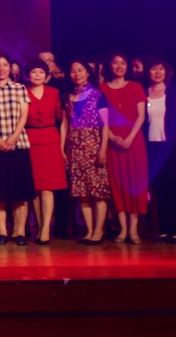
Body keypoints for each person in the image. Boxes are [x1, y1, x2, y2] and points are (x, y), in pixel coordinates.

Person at [0, 52, 35, 245]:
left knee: (20, 193)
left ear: (11, 67)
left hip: (18, 145)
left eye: (5, 65)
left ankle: (20, 232)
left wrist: (13, 138)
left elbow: (24, 116)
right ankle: (2, 232)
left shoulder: (19, 88)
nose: (2, 69)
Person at [100, 53, 149, 244]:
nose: (119, 66)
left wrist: (129, 138)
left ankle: (134, 229)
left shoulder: (136, 87)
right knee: (117, 182)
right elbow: (100, 118)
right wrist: (112, 137)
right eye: (115, 63)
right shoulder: (102, 88)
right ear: (110, 66)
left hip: (134, 140)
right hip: (112, 140)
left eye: (123, 63)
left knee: (135, 182)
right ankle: (122, 229)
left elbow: (141, 116)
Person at [63, 59, 111, 245]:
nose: (76, 74)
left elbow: (105, 125)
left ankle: (99, 230)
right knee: (82, 192)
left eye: (80, 70)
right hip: (75, 147)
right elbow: (66, 124)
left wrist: (103, 149)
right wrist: (63, 148)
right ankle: (89, 231)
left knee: (98, 191)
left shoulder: (98, 95)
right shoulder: (69, 97)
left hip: (93, 145)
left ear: (88, 72)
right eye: (73, 71)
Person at [143, 58, 176, 243]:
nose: (157, 72)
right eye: (154, 69)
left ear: (166, 72)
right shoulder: (144, 92)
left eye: (161, 69)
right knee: (158, 188)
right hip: (152, 147)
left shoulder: (173, 91)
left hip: (171, 146)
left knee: (174, 187)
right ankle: (163, 228)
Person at [24, 59, 66, 244]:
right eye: (34, 72)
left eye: (41, 72)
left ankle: (46, 229)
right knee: (35, 187)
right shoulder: (23, 92)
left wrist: (62, 146)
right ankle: (40, 227)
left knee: (48, 188)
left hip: (50, 140)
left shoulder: (54, 92)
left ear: (46, 75)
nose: (37, 75)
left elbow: (62, 120)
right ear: (28, 75)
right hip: (30, 140)